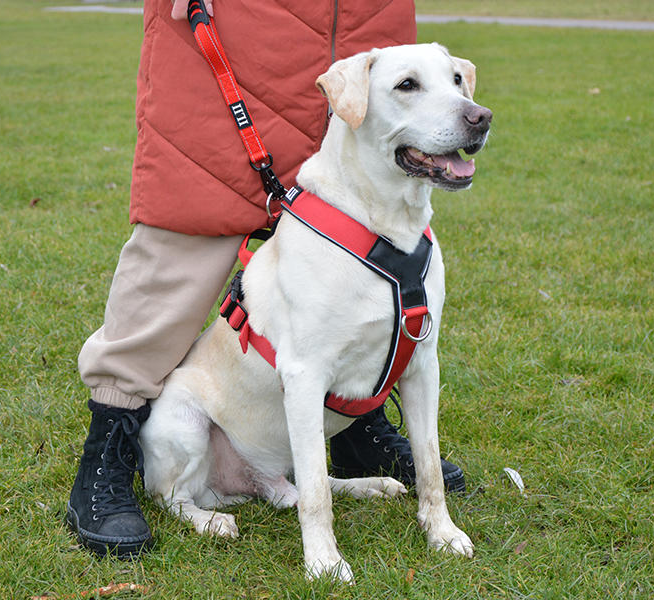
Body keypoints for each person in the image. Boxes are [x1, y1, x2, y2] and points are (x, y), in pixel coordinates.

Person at [64, 0, 465, 559]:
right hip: (239, 22)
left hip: (363, 15)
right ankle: (112, 441)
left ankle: (358, 430)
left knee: (370, 256)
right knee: (185, 224)